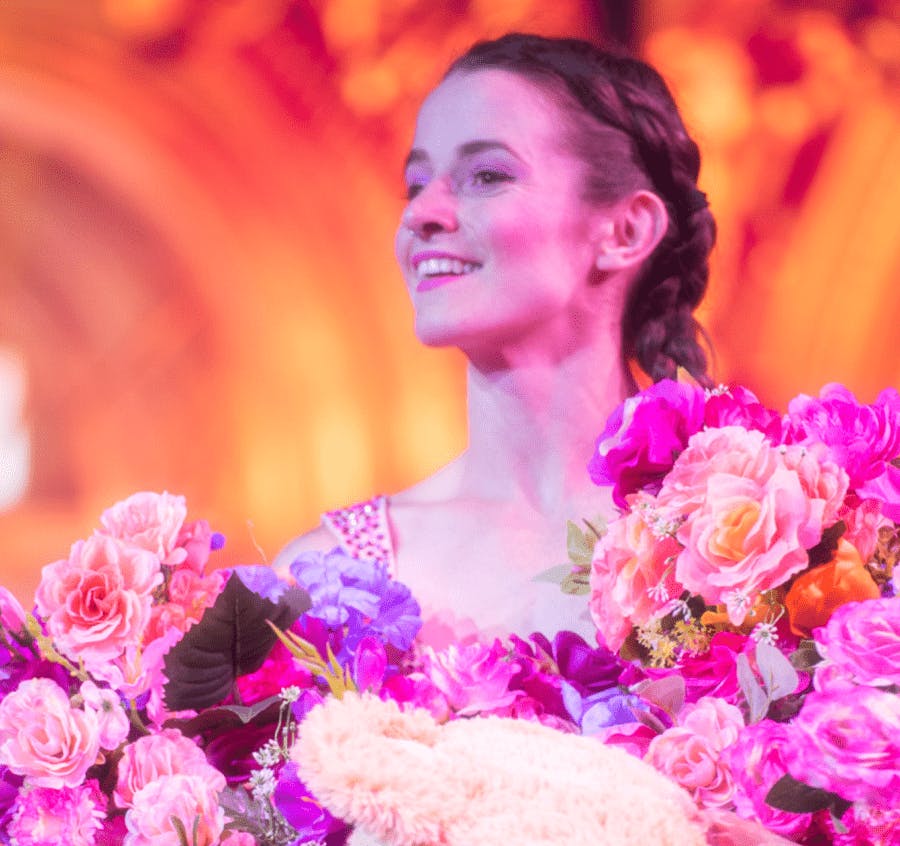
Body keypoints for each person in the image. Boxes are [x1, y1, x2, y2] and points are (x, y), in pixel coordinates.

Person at [274, 33, 716, 647]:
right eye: (416, 183)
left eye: (486, 175)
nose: (421, 213)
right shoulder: (336, 580)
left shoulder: (750, 535)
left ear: (625, 229)